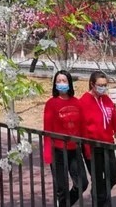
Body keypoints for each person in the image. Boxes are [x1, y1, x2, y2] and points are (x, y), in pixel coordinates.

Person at [43, 70, 88, 207]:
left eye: (64, 81)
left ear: (69, 83)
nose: (61, 83)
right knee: (61, 188)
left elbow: (83, 128)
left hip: (74, 150)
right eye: (58, 81)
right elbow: (47, 129)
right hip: (57, 150)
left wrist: (86, 150)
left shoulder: (77, 103)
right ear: (55, 84)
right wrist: (48, 153)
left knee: (82, 184)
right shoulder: (51, 103)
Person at [79, 71, 116, 207]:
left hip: (108, 144)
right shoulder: (84, 101)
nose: (102, 87)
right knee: (97, 178)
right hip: (92, 146)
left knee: (113, 176)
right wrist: (86, 150)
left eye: (105, 85)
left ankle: (100, 195)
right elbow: (82, 128)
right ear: (92, 84)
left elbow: (114, 118)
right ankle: (100, 201)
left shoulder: (107, 99)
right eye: (100, 85)